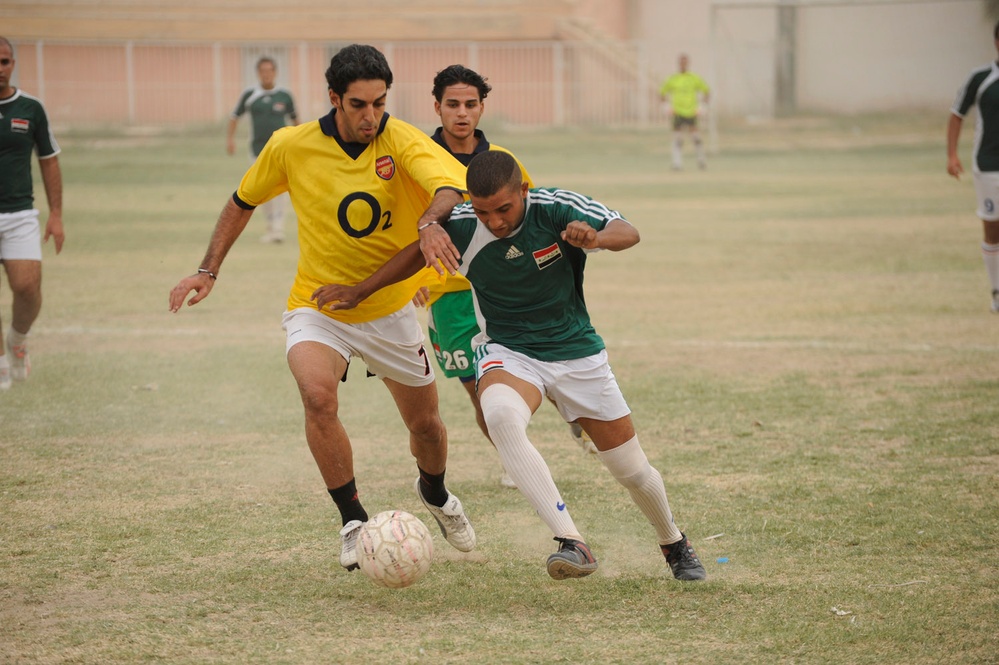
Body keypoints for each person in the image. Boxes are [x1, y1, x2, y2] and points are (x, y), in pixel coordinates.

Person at [314, 150, 706, 582]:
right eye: (483, 211)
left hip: (577, 353)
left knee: (632, 471)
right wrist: (360, 291)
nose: (495, 221)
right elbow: (414, 255)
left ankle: (673, 541)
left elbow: (626, 231)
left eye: (503, 208)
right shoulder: (463, 225)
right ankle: (571, 542)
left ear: (523, 190)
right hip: (510, 351)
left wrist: (596, 239)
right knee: (499, 414)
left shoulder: (556, 207)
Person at [169, 44, 476, 572]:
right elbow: (242, 201)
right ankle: (353, 519)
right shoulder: (291, 146)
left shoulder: (398, 138)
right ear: (333, 98)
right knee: (316, 396)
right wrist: (208, 268)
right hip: (319, 304)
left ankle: (436, 492)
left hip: (391, 310)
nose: (371, 116)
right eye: (358, 104)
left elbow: (451, 186)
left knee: (426, 427)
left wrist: (428, 223)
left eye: (379, 103)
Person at [425, 64, 594, 490]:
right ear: (437, 107)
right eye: (452, 104)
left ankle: (572, 407)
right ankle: (511, 455)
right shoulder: (417, 158)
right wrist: (411, 282)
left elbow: (534, 215)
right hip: (449, 291)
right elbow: (413, 226)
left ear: (482, 108)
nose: (461, 113)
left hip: (505, 284)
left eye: (470, 104)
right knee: (475, 384)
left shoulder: (503, 161)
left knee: (538, 360)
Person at [0, 36, 65, 391]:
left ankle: (17, 340)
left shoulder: (30, 108)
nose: (0, 69)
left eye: (5, 62)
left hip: (19, 214)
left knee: (27, 288)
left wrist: (55, 214)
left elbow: (49, 159)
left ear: (12, 64)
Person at [947, 19, 999, 314]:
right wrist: (952, 155)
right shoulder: (980, 79)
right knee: (993, 231)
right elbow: (957, 114)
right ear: (996, 42)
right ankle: (996, 292)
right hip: (989, 165)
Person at [226, 56, 298, 244]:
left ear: (275, 72)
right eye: (263, 71)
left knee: (281, 190)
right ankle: (270, 226)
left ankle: (279, 229)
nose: (267, 74)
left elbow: (296, 121)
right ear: (258, 73)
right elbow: (234, 116)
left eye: (270, 70)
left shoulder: (285, 95)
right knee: (262, 190)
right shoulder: (250, 95)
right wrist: (230, 139)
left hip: (282, 151)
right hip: (257, 150)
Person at [659, 54, 710, 171]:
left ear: (688, 63)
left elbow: (706, 91)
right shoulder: (673, 78)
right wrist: (666, 106)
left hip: (691, 112)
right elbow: (662, 92)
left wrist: (703, 106)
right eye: (681, 62)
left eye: (685, 62)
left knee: (695, 137)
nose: (683, 64)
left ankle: (701, 160)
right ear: (678, 63)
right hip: (677, 112)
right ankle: (677, 163)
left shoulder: (693, 78)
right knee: (677, 138)